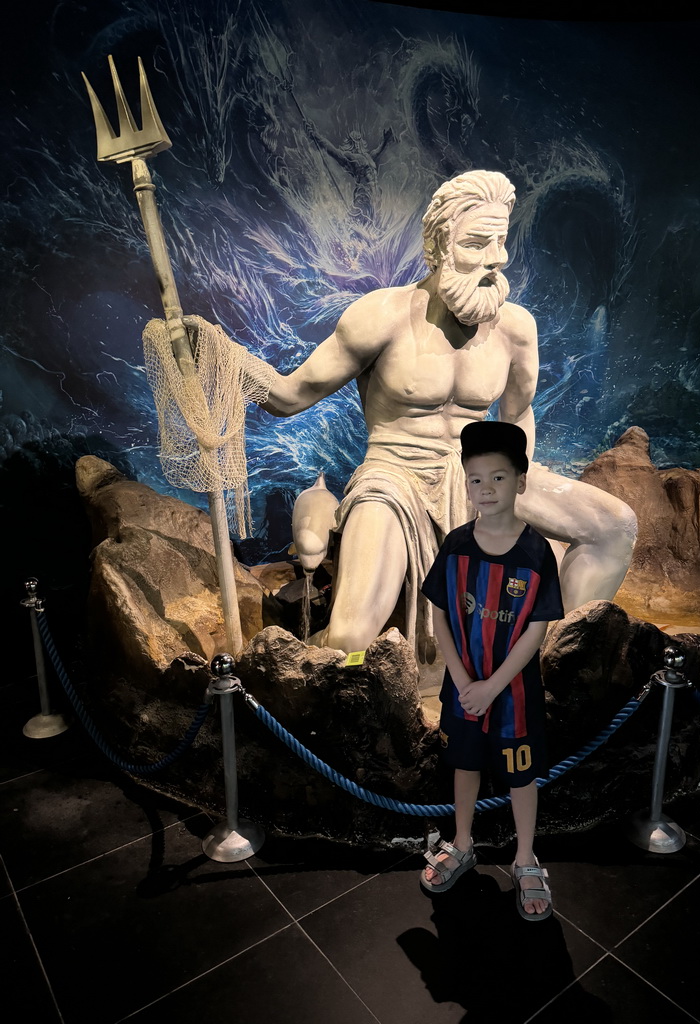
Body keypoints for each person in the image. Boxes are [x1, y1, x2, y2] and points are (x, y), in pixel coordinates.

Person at [182, 169, 635, 654]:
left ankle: (543, 665)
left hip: (478, 475)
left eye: (500, 242)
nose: (494, 260)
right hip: (393, 478)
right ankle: (338, 694)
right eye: (477, 243)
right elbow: (289, 397)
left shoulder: (515, 328)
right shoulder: (381, 316)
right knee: (352, 635)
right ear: (441, 245)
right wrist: (219, 355)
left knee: (615, 526)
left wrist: (516, 476)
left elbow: (518, 416)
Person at [419, 420, 563, 918]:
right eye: (476, 479)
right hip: (463, 689)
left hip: (514, 695)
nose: (486, 489)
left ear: (520, 481)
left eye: (498, 478)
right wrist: (464, 684)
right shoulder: (456, 544)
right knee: (466, 765)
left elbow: (536, 630)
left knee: (522, 777)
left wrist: (493, 686)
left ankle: (526, 858)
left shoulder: (537, 552)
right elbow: (438, 614)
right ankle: (461, 843)